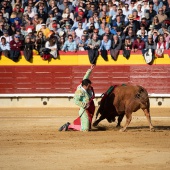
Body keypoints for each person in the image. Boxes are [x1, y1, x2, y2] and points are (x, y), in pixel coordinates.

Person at [58, 65, 95, 132]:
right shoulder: (79, 91)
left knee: (88, 127)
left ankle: (71, 125)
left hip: (88, 109)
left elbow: (85, 78)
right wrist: (84, 105)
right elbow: (75, 100)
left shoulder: (84, 86)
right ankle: (69, 126)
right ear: (85, 85)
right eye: (89, 86)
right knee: (85, 129)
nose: (90, 87)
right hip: (84, 109)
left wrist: (90, 70)